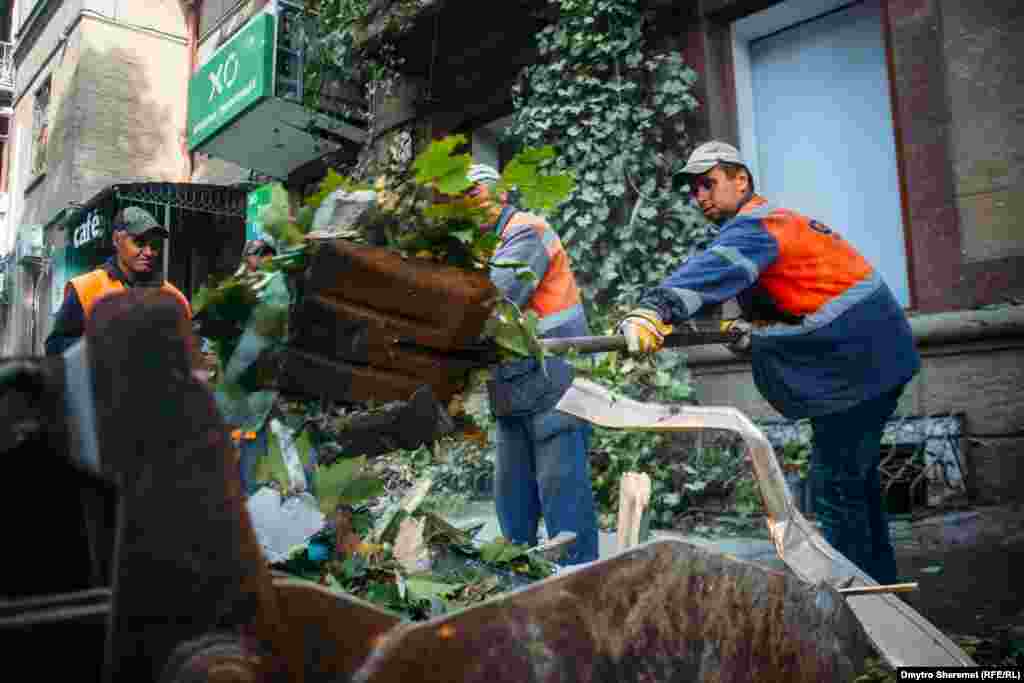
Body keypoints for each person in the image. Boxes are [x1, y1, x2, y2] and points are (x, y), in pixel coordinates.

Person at [618, 141, 920, 584]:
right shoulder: (778, 223)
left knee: (835, 489)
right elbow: (801, 296)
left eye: (708, 183)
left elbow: (715, 270)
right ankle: (883, 590)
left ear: (741, 180)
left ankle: (861, 609)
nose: (699, 196)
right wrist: (754, 330)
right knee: (855, 486)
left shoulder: (754, 227)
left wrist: (653, 309)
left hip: (859, 365)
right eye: (693, 190)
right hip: (875, 358)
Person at [464, 163, 599, 565]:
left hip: (553, 382)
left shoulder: (527, 230)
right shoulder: (479, 247)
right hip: (512, 387)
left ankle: (579, 585)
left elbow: (496, 298)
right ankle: (522, 587)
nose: (465, 208)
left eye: (472, 196)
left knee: (563, 496)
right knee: (512, 499)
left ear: (501, 194)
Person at [45, 206, 190, 355]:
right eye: (139, 242)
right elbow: (54, 347)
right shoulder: (86, 288)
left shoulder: (175, 298)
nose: (148, 252)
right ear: (116, 239)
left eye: (154, 245)